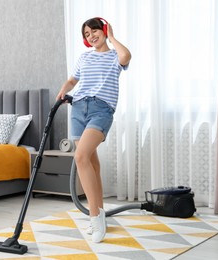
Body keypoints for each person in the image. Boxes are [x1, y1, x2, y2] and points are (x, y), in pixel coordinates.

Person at [56, 17, 131, 243]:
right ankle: (100, 215)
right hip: (78, 109)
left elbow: (126, 56)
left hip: (101, 109)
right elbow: (72, 81)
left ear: (104, 30)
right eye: (87, 34)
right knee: (92, 164)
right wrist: (62, 92)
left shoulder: (114, 57)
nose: (91, 36)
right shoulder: (84, 57)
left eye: (94, 31)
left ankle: (95, 218)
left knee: (80, 157)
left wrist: (112, 37)